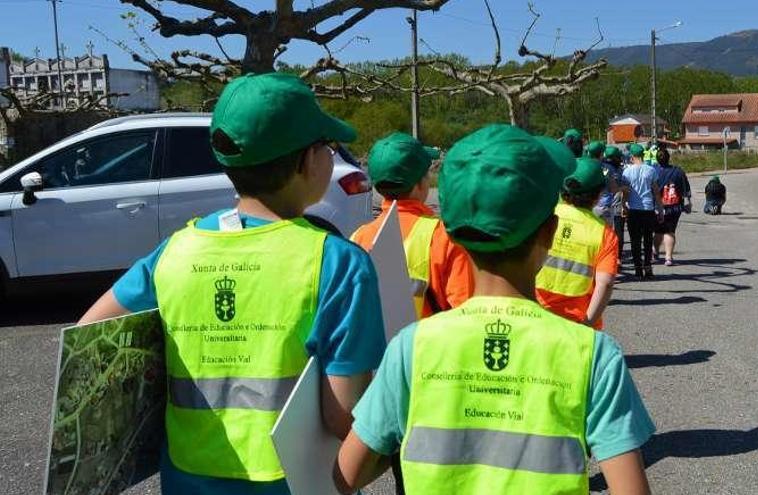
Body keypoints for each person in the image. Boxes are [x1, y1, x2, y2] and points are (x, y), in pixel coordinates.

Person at [78, 73, 387, 495]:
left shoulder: (175, 251)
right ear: (306, 161)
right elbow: (343, 417)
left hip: (186, 480)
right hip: (292, 483)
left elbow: (89, 340)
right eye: (328, 147)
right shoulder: (338, 263)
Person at [333, 124, 654, 495]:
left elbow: (346, 475)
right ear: (549, 233)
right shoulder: (594, 355)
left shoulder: (410, 347)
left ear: (451, 233)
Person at [352, 132, 474, 318]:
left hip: (375, 346)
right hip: (428, 345)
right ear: (419, 184)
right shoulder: (445, 237)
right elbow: (464, 312)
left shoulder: (357, 238)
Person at [536, 156, 619, 329]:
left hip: (535, 312)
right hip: (577, 319)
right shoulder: (605, 233)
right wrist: (587, 323)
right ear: (598, 195)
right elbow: (605, 283)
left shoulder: (542, 216)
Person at [621, 143, 663, 280]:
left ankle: (638, 269)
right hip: (648, 209)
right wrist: (660, 209)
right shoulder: (651, 170)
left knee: (635, 240)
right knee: (648, 240)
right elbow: (656, 192)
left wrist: (623, 205)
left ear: (632, 156)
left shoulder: (627, 172)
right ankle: (648, 267)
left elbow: (626, 192)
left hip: (633, 209)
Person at [653, 147, 692, 266]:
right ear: (668, 158)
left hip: (657, 206)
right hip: (674, 207)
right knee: (670, 231)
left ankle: (655, 253)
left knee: (658, 231)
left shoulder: (653, 171)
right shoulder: (678, 171)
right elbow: (686, 190)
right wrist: (688, 202)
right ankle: (668, 257)